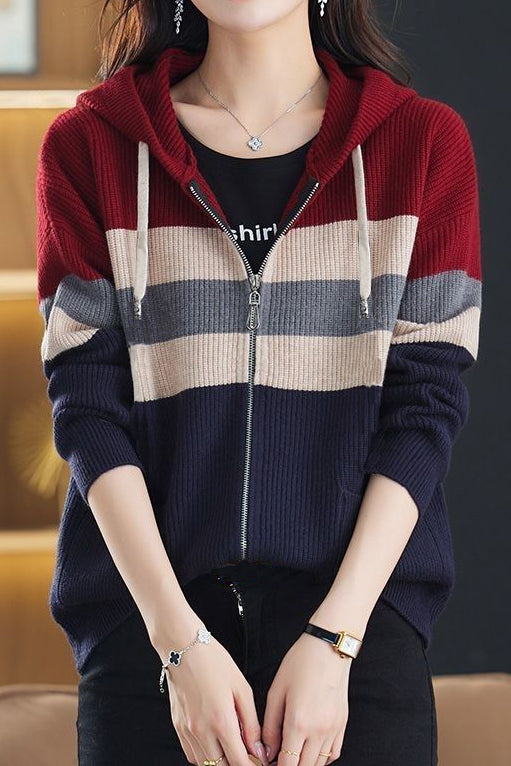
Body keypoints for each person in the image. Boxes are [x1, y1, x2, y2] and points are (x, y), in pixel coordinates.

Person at [35, 1, 482, 764]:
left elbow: (426, 407)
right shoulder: (91, 147)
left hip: (356, 636)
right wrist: (178, 644)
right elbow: (87, 409)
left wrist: (335, 638)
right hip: (149, 636)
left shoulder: (420, 143)